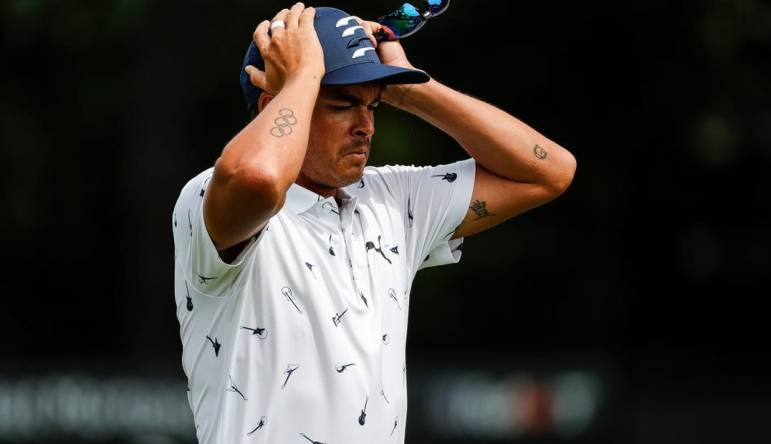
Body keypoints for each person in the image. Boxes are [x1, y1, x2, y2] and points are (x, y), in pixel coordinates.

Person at [171, 3, 576, 443]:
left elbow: (549, 171)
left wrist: (409, 89)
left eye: (374, 105)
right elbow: (260, 178)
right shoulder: (212, 193)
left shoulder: (392, 200)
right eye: (343, 103)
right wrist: (306, 73)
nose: (365, 125)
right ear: (275, 102)